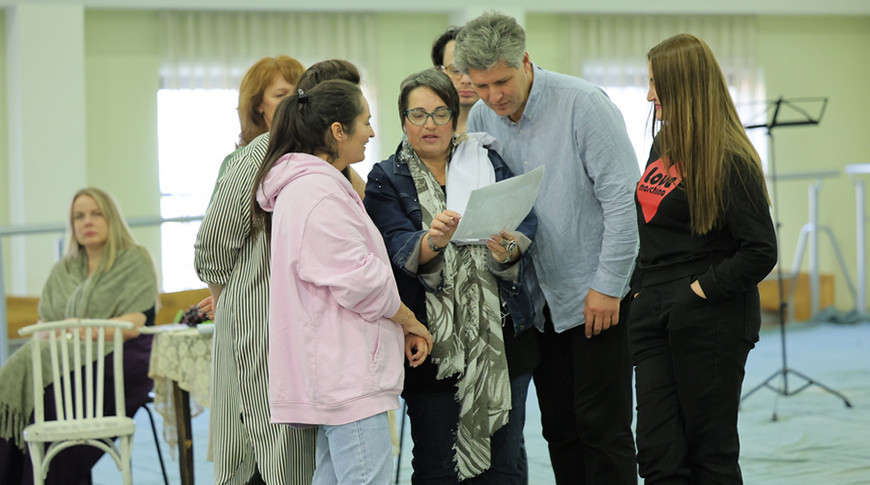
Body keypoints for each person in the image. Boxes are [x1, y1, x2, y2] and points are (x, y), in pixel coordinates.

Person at [454, 12, 640, 484]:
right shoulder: (480, 115)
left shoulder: (584, 104)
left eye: (502, 80)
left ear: (526, 61)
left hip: (597, 293)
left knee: (604, 428)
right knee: (559, 429)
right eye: (481, 85)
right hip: (536, 303)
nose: (495, 96)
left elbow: (622, 203)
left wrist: (608, 286)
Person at [364, 68, 544, 483]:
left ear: (454, 117)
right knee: (438, 466)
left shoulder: (484, 159)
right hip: (433, 346)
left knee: (505, 465)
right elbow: (395, 247)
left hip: (501, 340)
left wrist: (509, 245)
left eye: (441, 113)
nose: (430, 125)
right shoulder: (387, 177)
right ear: (403, 119)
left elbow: (524, 219)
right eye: (419, 114)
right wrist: (433, 240)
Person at [251, 79, 433, 485]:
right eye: (365, 122)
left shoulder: (310, 187)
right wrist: (408, 319)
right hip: (346, 373)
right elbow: (361, 280)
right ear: (337, 131)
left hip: (337, 369)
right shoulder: (317, 192)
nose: (371, 132)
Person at [194, 59, 364, 485]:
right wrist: (232, 302)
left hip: (319, 340)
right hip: (260, 327)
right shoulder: (261, 154)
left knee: (309, 460)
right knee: (266, 457)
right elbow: (211, 248)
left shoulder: (335, 167)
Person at [631, 33, 777, 484]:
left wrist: (697, 292)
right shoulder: (666, 142)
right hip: (653, 311)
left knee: (709, 455)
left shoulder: (730, 157)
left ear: (686, 86)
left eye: (657, 83)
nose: (650, 94)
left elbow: (760, 250)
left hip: (709, 315)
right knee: (657, 454)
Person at [0, 188, 158, 485]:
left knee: (57, 406)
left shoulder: (133, 259)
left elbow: (134, 323)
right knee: (42, 404)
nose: (87, 222)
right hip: (66, 357)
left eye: (96, 213)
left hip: (123, 354)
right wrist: (76, 330)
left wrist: (75, 327)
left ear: (111, 218)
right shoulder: (64, 269)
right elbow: (44, 324)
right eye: (79, 216)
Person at [431, 27, 480, 134]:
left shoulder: (503, 120)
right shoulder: (425, 123)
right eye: (455, 70)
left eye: (474, 70)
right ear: (439, 72)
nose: (466, 80)